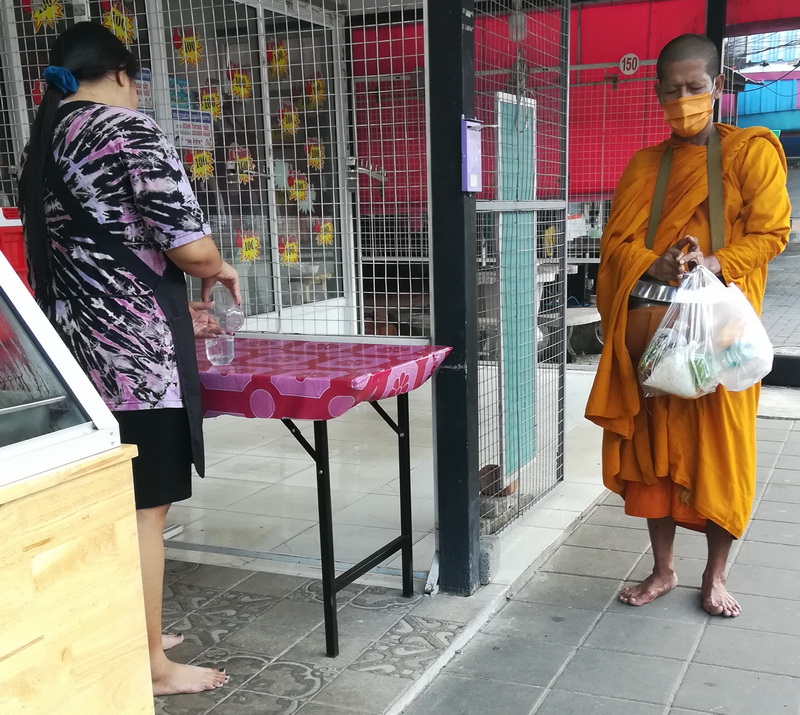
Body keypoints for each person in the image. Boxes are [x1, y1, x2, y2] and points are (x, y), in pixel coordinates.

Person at [18, 22, 240, 694]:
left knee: (108, 500)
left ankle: (129, 630)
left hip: (73, 356)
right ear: (120, 74)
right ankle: (151, 665)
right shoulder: (126, 129)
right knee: (146, 507)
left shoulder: (45, 139)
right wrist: (218, 267)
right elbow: (189, 246)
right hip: (136, 362)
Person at [586, 34, 791, 618]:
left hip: (722, 333)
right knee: (654, 450)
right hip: (656, 336)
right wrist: (653, 262)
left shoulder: (749, 152)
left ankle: (715, 575)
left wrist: (715, 263)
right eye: (672, 91)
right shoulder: (645, 166)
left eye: (695, 87)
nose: (684, 101)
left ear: (717, 87)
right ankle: (663, 569)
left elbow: (772, 233)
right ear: (657, 94)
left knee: (722, 449)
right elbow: (614, 246)